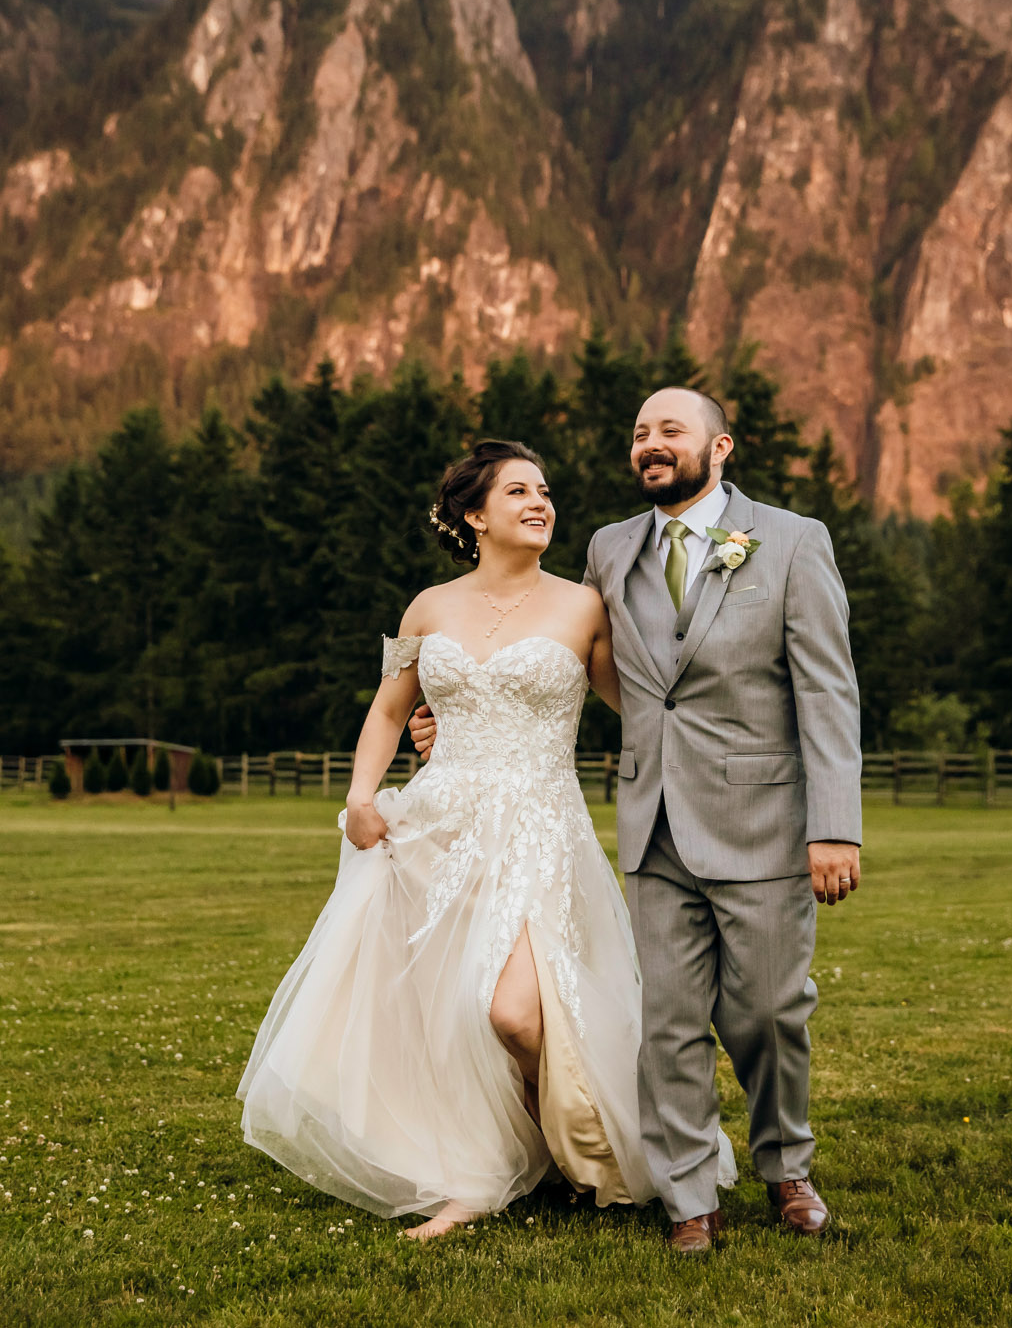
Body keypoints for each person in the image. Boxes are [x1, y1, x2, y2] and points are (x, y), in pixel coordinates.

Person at [237, 440, 730, 1240]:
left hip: (540, 827)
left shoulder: (583, 606)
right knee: (447, 1011)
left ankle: (567, 1148)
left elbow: (648, 712)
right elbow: (390, 709)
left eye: (545, 490)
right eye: (519, 492)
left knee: (516, 1016)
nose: (541, 502)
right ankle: (473, 1173)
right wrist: (361, 796)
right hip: (440, 826)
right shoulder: (427, 608)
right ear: (475, 515)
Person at [411, 388, 863, 1254]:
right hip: (651, 822)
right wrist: (450, 717)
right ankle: (690, 1196)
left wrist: (834, 825)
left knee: (769, 1011)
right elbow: (569, 660)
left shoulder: (795, 541)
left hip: (764, 817)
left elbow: (829, 691)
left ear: (719, 446)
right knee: (668, 1020)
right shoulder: (610, 549)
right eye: (639, 433)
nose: (650, 445)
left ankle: (786, 1165)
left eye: (670, 431)